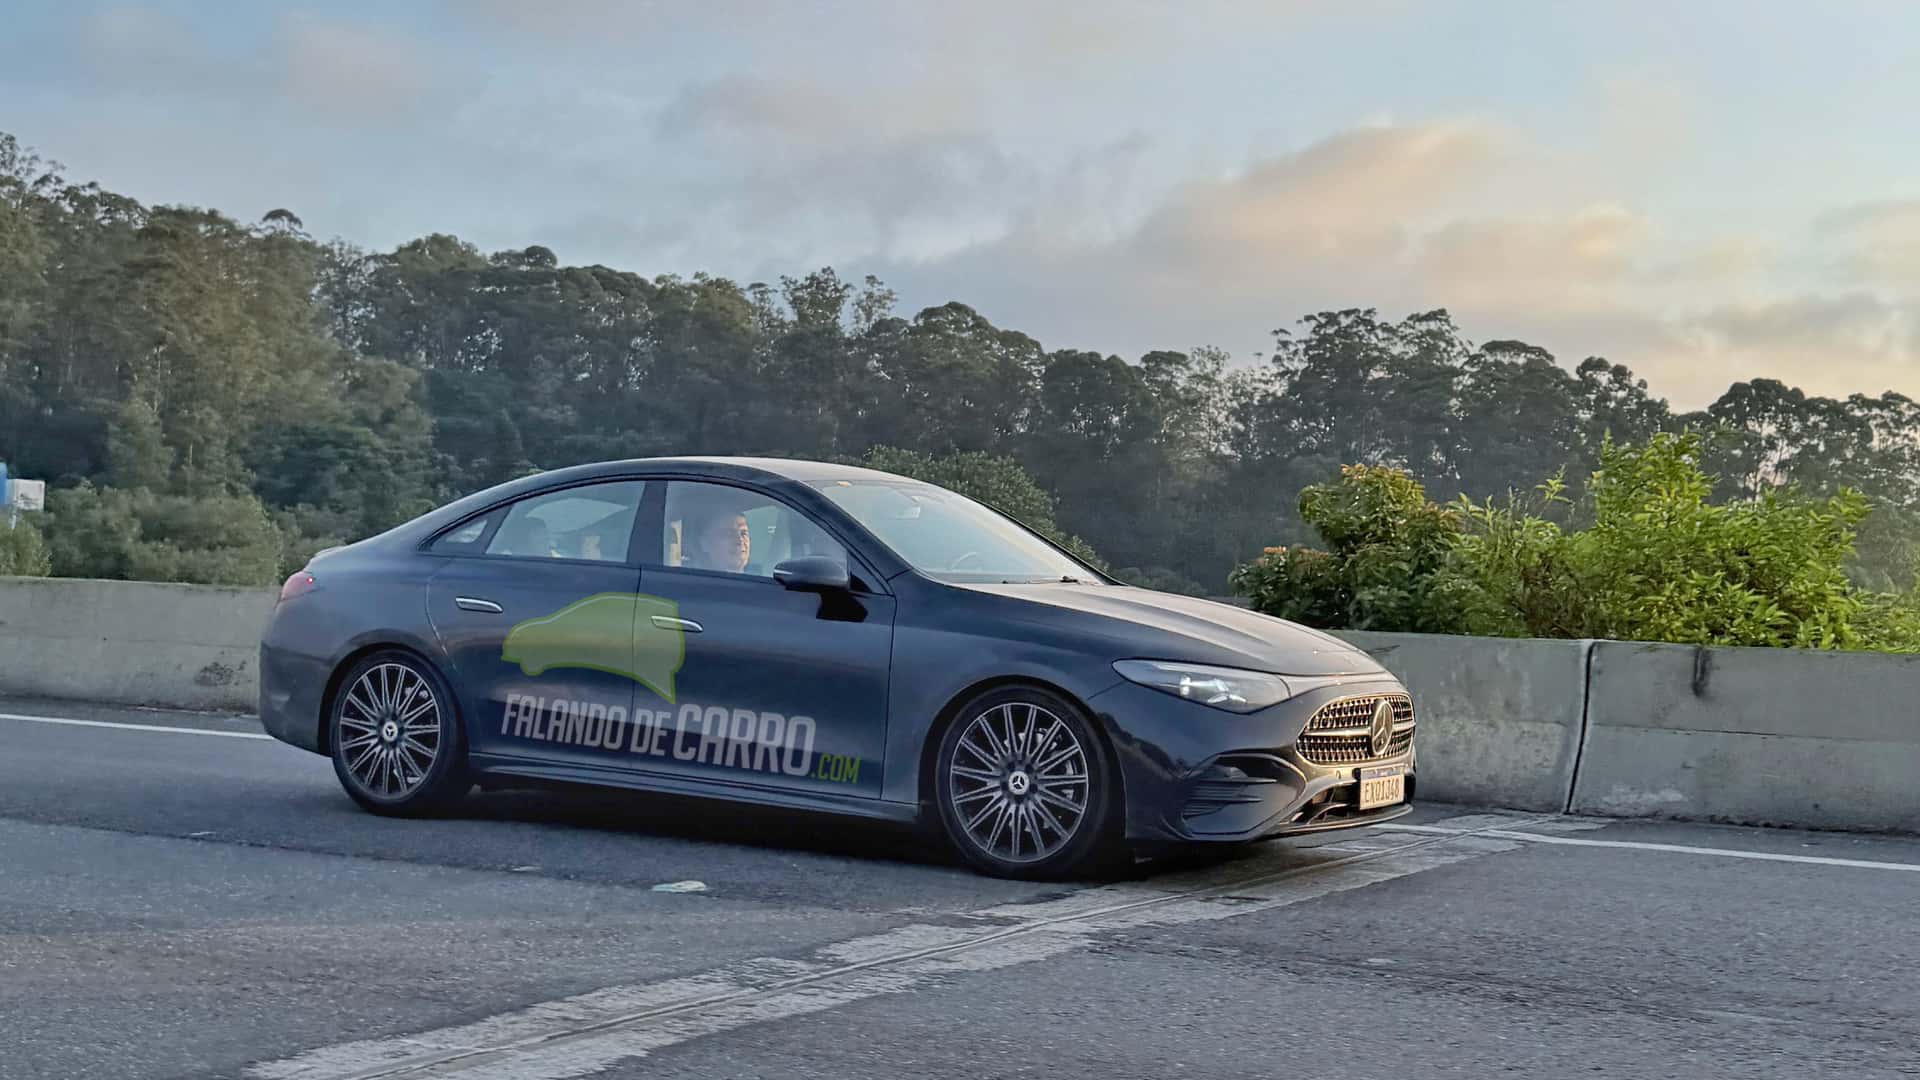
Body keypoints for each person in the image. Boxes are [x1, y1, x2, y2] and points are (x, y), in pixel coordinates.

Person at [684, 507, 752, 574]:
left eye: (744, 533)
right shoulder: (693, 582)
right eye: (728, 534)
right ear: (704, 543)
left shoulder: (759, 582)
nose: (740, 540)